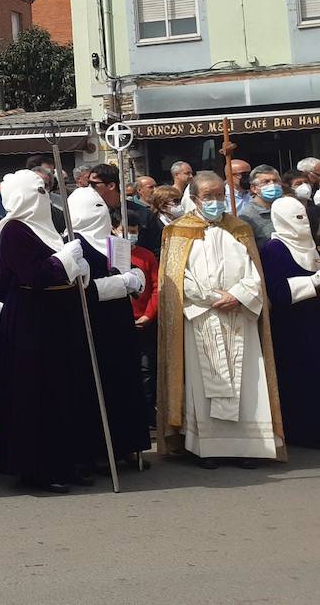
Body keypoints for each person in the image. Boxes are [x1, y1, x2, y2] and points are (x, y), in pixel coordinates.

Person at [157, 172, 284, 467]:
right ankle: (206, 448)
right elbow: (176, 278)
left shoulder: (239, 228)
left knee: (247, 381)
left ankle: (249, 447)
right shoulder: (178, 231)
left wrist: (238, 294)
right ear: (194, 198)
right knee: (205, 385)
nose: (215, 202)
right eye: (208, 197)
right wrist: (213, 299)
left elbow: (255, 273)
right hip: (202, 316)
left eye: (219, 195)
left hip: (240, 315)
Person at [0, 170, 99, 492]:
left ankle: (66, 459)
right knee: (35, 391)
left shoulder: (51, 229)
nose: (43, 196)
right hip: (31, 319)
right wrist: (63, 261)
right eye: (36, 191)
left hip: (61, 316)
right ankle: (36, 466)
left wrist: (80, 268)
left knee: (65, 389)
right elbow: (31, 275)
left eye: (44, 190)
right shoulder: (13, 231)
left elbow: (66, 272)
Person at [67, 187, 150, 466]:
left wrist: (135, 279)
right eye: (93, 208)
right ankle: (99, 451)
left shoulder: (116, 242)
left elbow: (129, 276)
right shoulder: (73, 244)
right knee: (98, 385)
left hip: (121, 322)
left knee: (126, 381)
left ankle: (129, 445)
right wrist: (121, 284)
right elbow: (80, 289)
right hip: (93, 323)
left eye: (101, 205)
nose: (100, 212)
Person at [259, 197, 320, 447]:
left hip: (314, 321)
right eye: (297, 218)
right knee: (299, 377)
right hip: (292, 326)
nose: (303, 223)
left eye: (304, 216)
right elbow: (277, 292)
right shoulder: (274, 250)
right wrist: (314, 282)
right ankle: (302, 432)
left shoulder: (312, 246)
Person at [125, 211, 161, 427]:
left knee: (146, 369)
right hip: (122, 321)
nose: (131, 236)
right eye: (127, 231)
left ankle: (147, 413)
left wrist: (149, 314)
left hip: (144, 321)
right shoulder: (108, 255)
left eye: (134, 232)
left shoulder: (146, 255)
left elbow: (156, 287)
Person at [89, 163, 160, 260]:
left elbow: (156, 248)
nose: (89, 188)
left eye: (94, 184)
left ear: (111, 185)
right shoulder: (92, 214)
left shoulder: (143, 214)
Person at [238, 164, 285, 244]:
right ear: (254, 188)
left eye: (275, 181)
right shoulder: (247, 216)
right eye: (266, 182)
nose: (272, 185)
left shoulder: (287, 206)